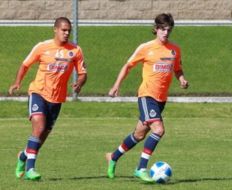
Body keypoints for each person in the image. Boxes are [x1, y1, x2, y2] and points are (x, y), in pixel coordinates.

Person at [106, 13, 188, 183]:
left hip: (161, 99)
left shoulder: (175, 50)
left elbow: (177, 68)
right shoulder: (146, 48)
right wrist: (116, 85)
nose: (165, 33)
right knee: (158, 129)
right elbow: (128, 66)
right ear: (156, 29)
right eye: (163, 29)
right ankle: (141, 168)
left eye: (168, 30)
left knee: (139, 134)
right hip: (146, 95)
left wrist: (181, 79)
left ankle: (113, 157)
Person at [9, 17, 87, 181]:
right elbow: (25, 65)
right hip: (38, 92)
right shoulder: (42, 47)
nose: (66, 33)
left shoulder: (75, 50)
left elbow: (83, 73)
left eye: (68, 31)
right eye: (63, 30)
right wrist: (17, 82)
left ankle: (23, 156)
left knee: (41, 137)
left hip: (57, 99)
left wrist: (79, 83)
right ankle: (31, 169)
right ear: (55, 29)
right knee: (39, 126)